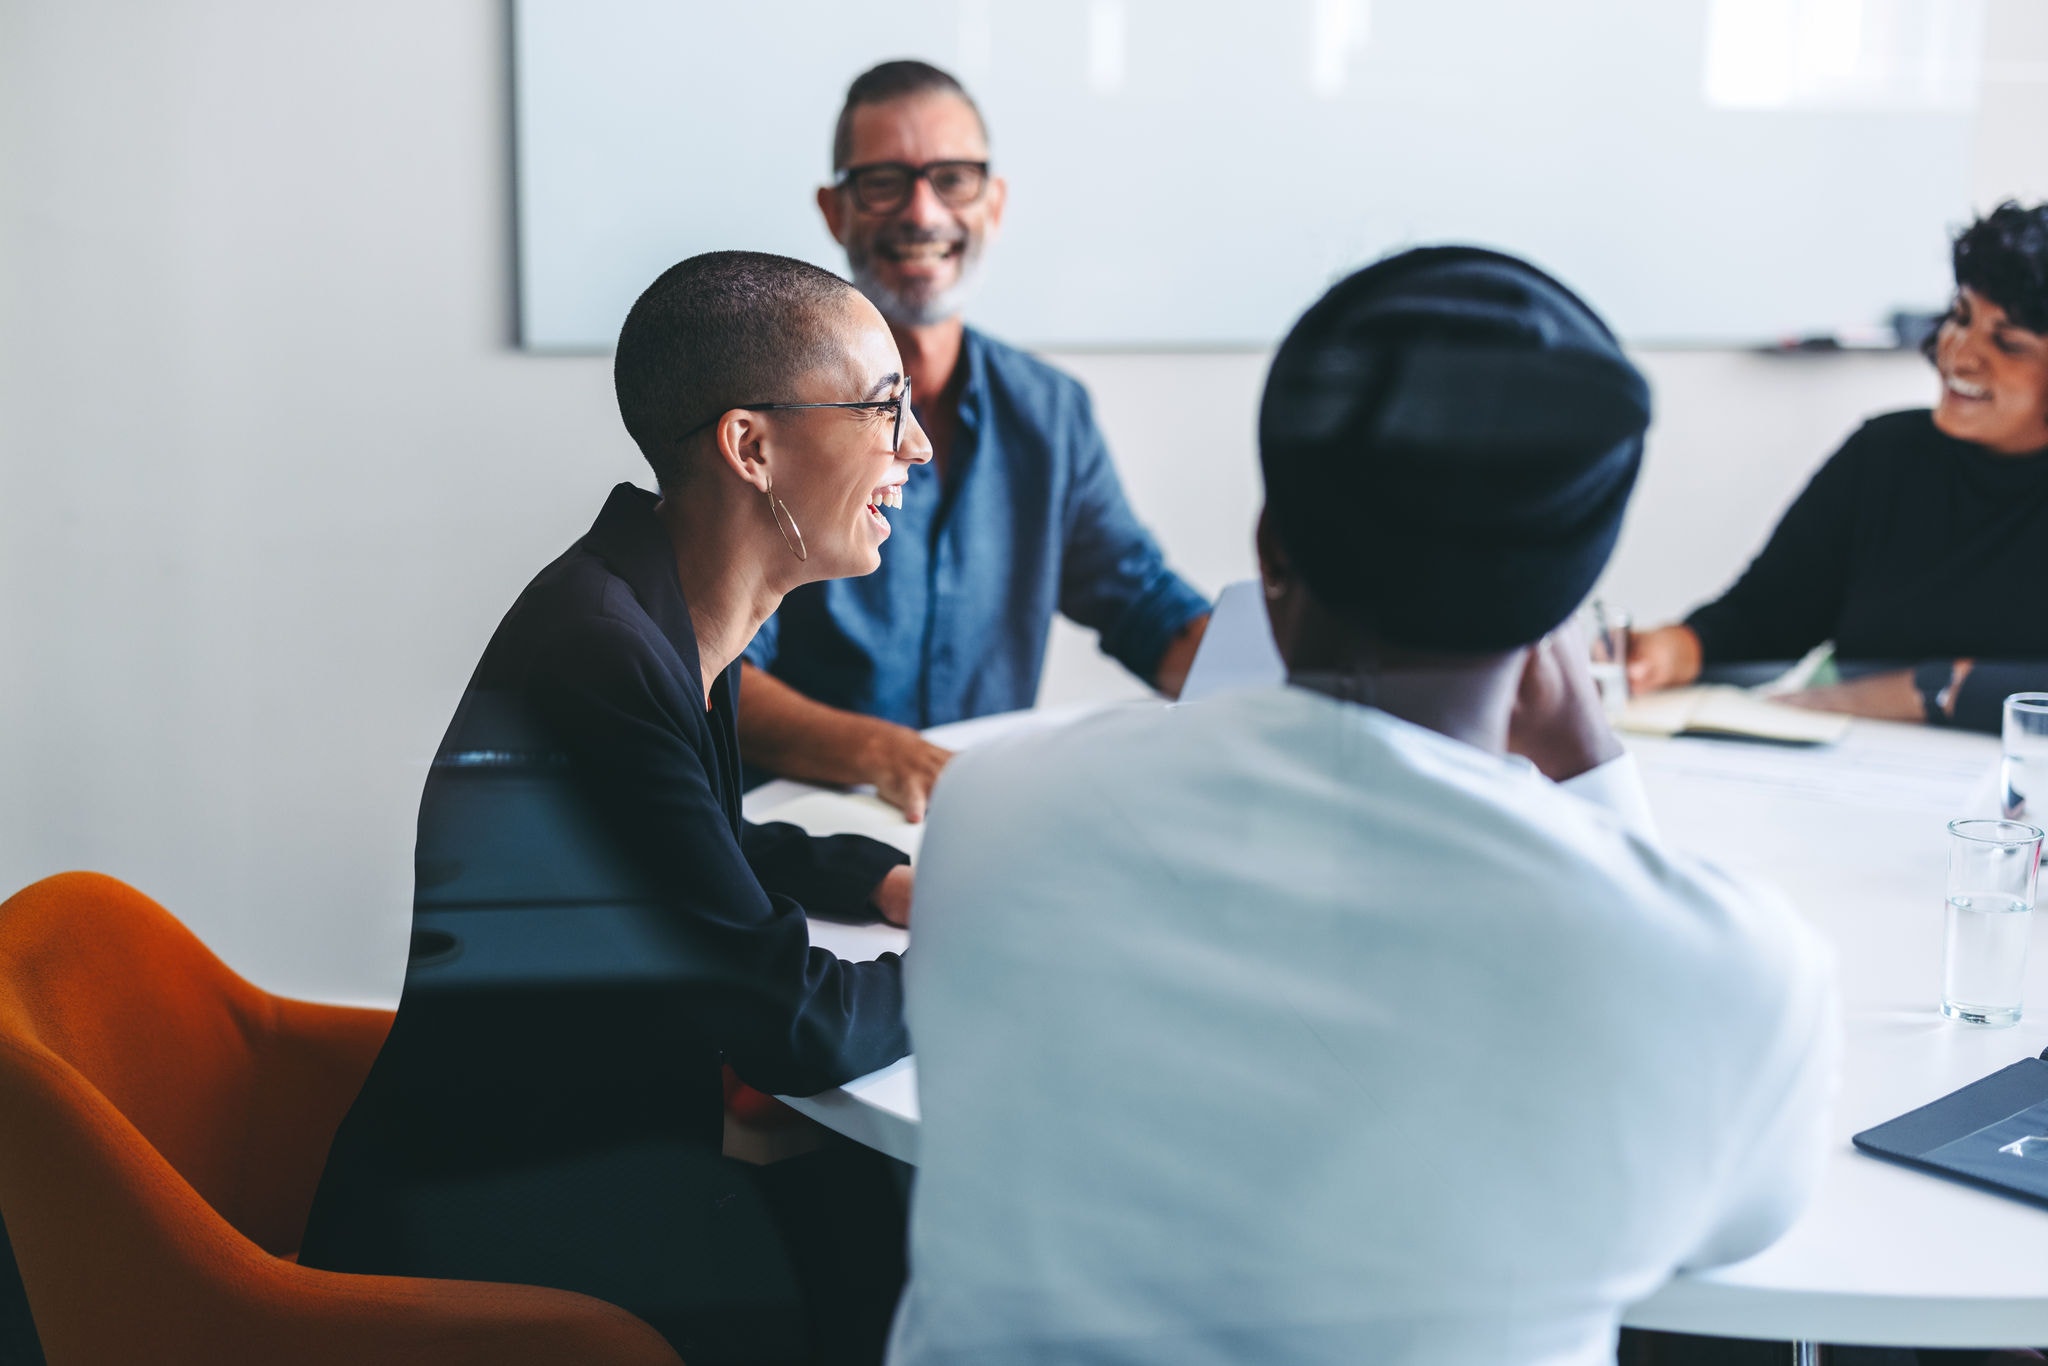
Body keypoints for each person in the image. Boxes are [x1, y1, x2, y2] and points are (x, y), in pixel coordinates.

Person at [887, 248, 1840, 1365]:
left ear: (1268, 552)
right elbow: (1721, 1228)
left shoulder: (996, 812)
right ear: (1567, 606)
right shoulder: (1732, 974)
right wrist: (1589, 769)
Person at [303, 251, 931, 1366]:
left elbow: (694, 847)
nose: (914, 447)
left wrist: (871, 878)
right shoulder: (602, 654)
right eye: (886, 409)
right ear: (750, 447)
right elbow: (794, 1025)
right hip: (496, 1233)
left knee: (890, 1233)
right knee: (900, 1262)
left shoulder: (656, 601)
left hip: (571, 1160)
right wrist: (977, 964)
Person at [737, 59, 1211, 820]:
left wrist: (1293, 690)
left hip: (973, 833)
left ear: (994, 203)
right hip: (797, 847)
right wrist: (891, 756)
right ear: (835, 211)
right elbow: (710, 671)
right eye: (885, 181)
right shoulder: (768, 419)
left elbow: (1148, 610)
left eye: (953, 178)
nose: (922, 212)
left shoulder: (1051, 413)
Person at [1628, 201, 2048, 733]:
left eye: (2007, 343)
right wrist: (1672, 649)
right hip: (1856, 775)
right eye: (1960, 317)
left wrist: (1926, 687)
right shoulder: (1886, 454)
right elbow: (1764, 617)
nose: (1959, 355)